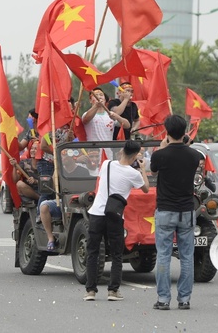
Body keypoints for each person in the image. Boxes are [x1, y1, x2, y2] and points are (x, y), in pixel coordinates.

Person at [150, 115, 204, 310]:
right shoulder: (194, 155)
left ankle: (163, 299)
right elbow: (191, 155)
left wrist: (163, 145)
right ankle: (184, 299)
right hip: (187, 211)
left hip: (165, 210)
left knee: (163, 255)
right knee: (187, 256)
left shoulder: (159, 155)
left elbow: (153, 169)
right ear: (185, 131)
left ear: (166, 131)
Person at [84, 140, 149, 302]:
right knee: (116, 254)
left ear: (122, 151)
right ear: (135, 156)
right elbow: (146, 189)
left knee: (92, 252)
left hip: (96, 214)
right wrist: (142, 170)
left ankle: (90, 291)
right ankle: (113, 291)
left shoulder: (106, 164)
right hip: (115, 216)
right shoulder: (133, 174)